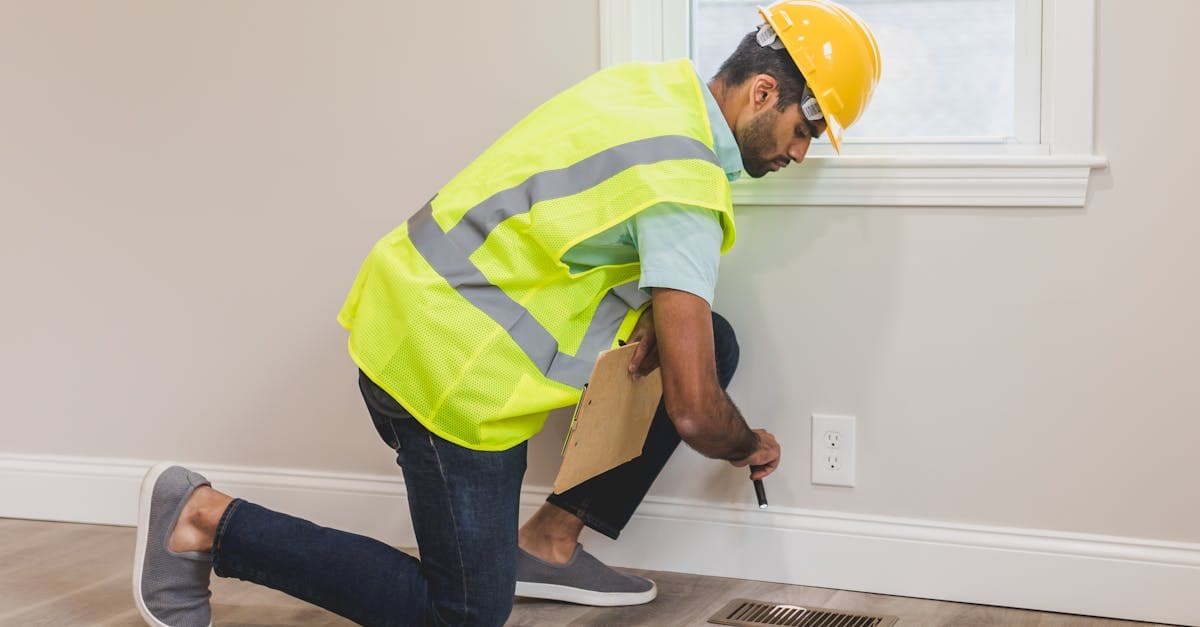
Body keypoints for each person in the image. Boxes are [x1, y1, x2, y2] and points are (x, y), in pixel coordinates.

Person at [130, 2, 880, 625]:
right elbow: (692, 409)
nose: (800, 154)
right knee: (466, 615)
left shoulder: (649, 90)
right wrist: (747, 442)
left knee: (708, 335)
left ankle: (550, 541)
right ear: (762, 93)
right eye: (805, 130)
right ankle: (201, 518)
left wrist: (655, 310)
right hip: (446, 372)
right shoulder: (684, 186)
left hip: (407, 302)